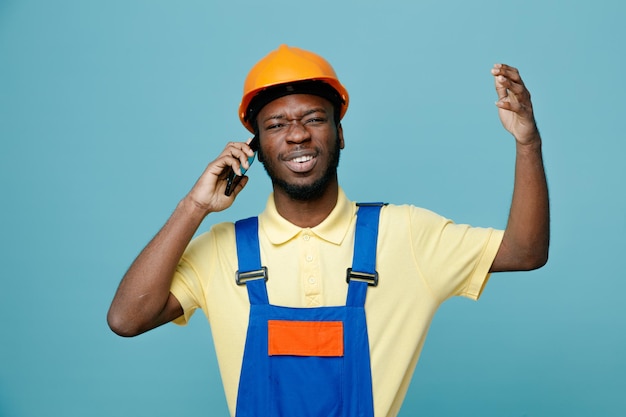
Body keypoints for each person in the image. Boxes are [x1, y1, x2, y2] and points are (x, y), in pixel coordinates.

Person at [107, 44, 549, 417]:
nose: (297, 135)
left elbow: (526, 252)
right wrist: (195, 206)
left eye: (315, 119)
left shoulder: (405, 235)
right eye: (276, 125)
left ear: (340, 135)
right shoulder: (223, 250)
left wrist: (528, 143)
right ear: (254, 149)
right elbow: (127, 319)